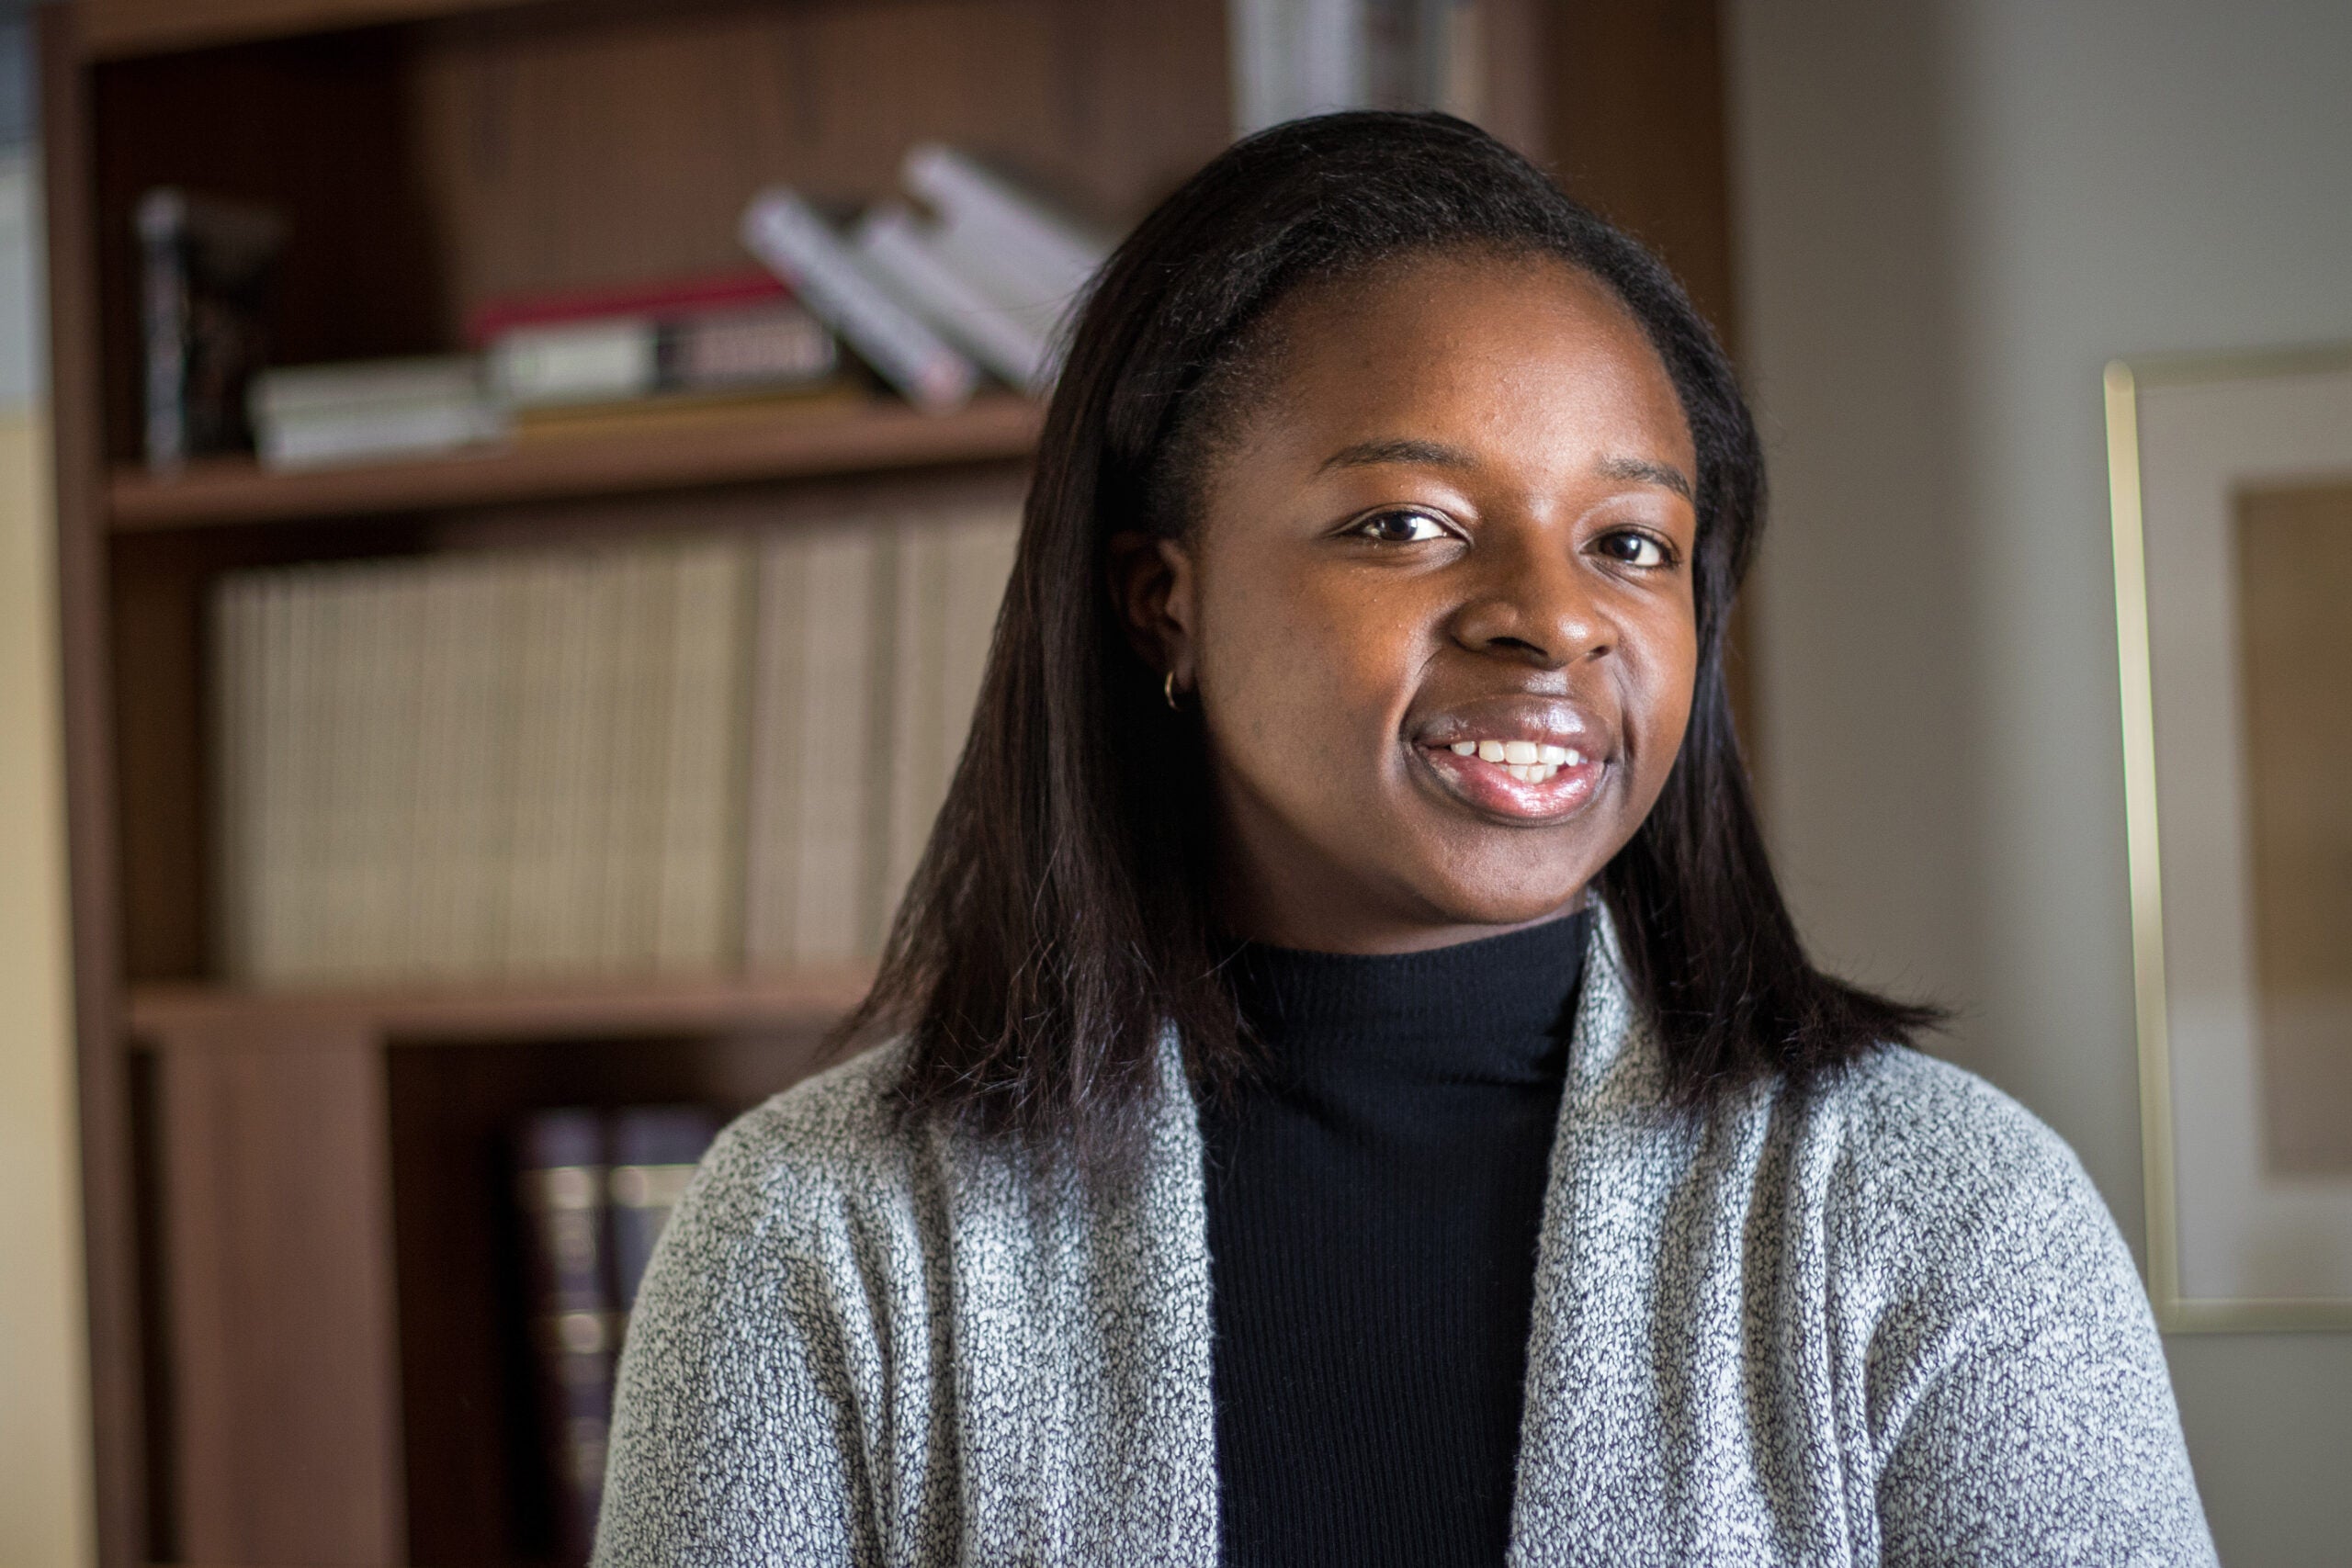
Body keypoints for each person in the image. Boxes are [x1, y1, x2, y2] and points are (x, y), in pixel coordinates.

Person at [593, 112, 2212, 1566]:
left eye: (1631, 542)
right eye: (1407, 525)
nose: (1553, 620)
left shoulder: (1945, 1212)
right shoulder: (814, 1236)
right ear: (1164, 598)